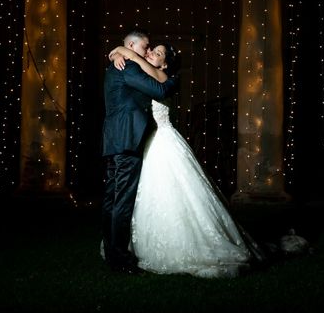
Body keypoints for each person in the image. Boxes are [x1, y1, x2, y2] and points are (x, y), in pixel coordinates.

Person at [108, 42, 266, 278]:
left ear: (165, 64)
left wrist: (125, 51)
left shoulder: (162, 76)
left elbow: (149, 76)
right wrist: (117, 52)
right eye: (151, 50)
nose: (151, 53)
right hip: (145, 141)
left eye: (158, 53)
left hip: (162, 141)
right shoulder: (144, 73)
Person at [101, 28, 178, 274]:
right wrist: (124, 54)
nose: (147, 52)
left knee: (112, 199)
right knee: (121, 201)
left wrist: (120, 51)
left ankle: (112, 253)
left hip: (114, 138)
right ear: (133, 47)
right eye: (145, 48)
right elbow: (160, 90)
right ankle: (120, 260)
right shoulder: (128, 67)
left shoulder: (118, 64)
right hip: (126, 139)